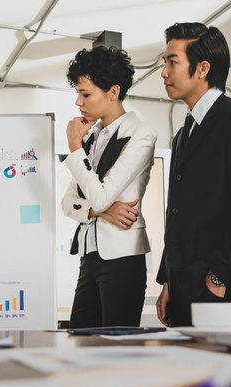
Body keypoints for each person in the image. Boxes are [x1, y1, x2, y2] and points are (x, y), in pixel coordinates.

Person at [155, 23, 231, 327]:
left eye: (172, 62)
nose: (164, 73)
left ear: (202, 68)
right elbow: (178, 214)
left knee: (222, 373)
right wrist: (168, 282)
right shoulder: (183, 134)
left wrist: (218, 275)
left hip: (219, 287)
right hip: (183, 283)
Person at [61, 46, 158, 328]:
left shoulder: (140, 134)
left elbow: (101, 196)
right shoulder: (91, 139)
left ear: (113, 91)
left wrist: (74, 146)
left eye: (85, 93)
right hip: (89, 257)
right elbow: (68, 203)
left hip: (122, 257)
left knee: (118, 345)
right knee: (79, 338)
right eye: (78, 93)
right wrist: (98, 212)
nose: (78, 101)